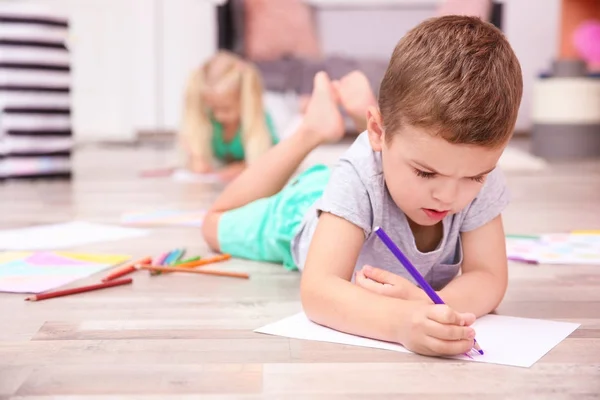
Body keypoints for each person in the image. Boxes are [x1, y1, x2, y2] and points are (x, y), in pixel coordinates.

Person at [201, 15, 523, 357]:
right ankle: (312, 130)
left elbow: (488, 276)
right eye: (426, 173)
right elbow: (319, 291)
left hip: (364, 177)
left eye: (475, 178)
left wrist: (434, 303)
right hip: (302, 211)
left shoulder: (470, 163)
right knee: (213, 225)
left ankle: (359, 114)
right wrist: (401, 321)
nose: (448, 195)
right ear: (378, 132)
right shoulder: (360, 177)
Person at [179, 51, 279, 181]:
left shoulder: (259, 121)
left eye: (226, 109)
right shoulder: (208, 121)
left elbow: (270, 160)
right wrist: (197, 160)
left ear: (245, 100)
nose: (218, 116)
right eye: (213, 108)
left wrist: (241, 168)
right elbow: (193, 150)